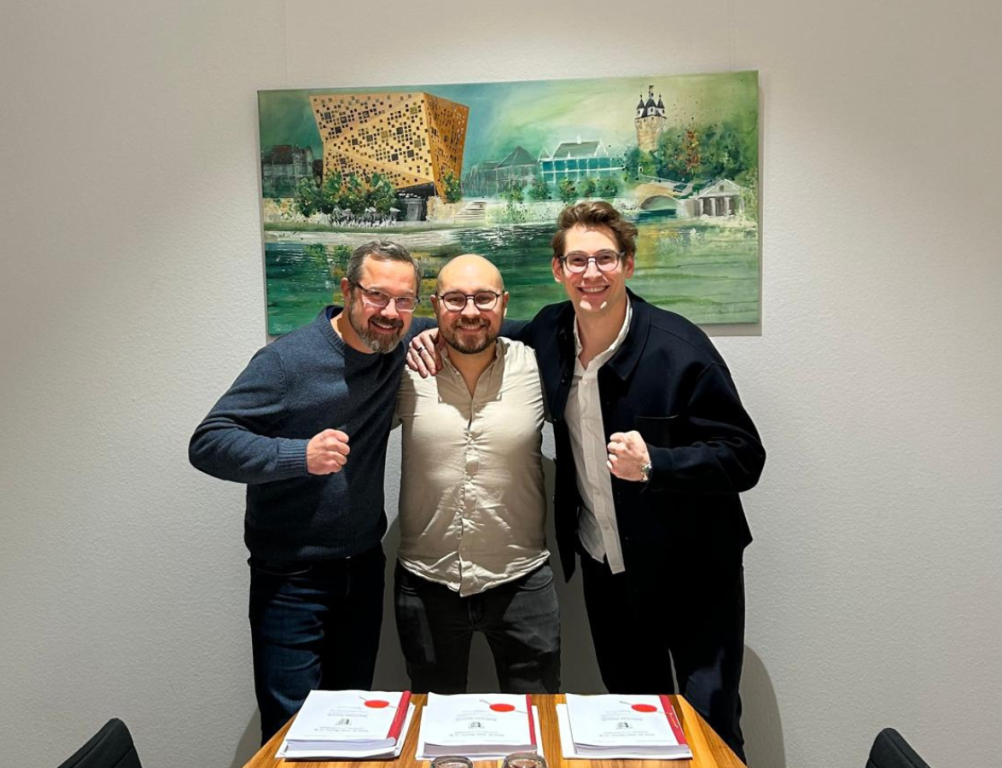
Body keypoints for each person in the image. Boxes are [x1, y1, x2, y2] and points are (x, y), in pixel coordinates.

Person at [409, 203, 764, 761]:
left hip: (695, 573)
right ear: (559, 270)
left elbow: (745, 456)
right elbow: (479, 324)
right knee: (633, 725)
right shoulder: (550, 334)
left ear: (627, 264)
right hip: (608, 572)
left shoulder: (680, 348)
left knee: (709, 725)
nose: (590, 273)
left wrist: (658, 464)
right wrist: (426, 334)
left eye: (604, 259)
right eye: (577, 260)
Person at [189, 240, 428, 744]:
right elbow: (208, 443)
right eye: (377, 295)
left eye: (404, 300)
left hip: (363, 568)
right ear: (348, 291)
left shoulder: (399, 342)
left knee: (352, 726)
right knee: (292, 735)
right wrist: (298, 456)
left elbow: (480, 322)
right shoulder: (286, 361)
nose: (390, 312)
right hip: (290, 578)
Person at [394, 254, 561, 694]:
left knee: (537, 719)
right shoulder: (405, 370)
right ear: (435, 305)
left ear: (504, 303)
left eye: (484, 298)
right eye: (455, 299)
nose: (470, 311)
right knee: (432, 721)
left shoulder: (538, 367)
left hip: (522, 580)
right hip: (426, 582)